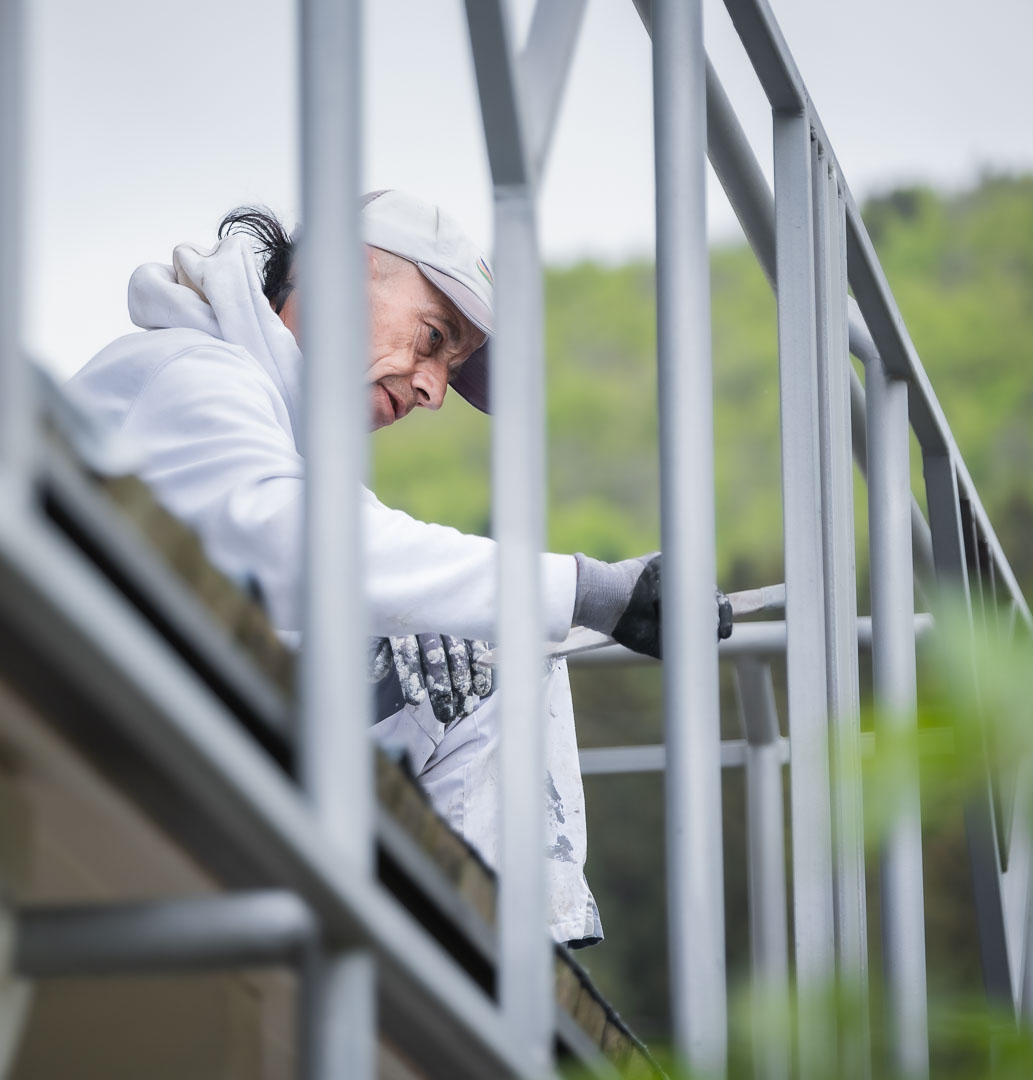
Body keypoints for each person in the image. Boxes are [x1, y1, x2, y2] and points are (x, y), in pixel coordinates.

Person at [67, 190, 732, 946]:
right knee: (487, 639)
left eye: (450, 367)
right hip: (90, 731)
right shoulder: (193, 373)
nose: (433, 389)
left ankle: (494, 950)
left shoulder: (272, 432)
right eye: (433, 338)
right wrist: (593, 591)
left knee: (481, 641)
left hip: (153, 729)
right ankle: (494, 967)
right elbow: (314, 553)